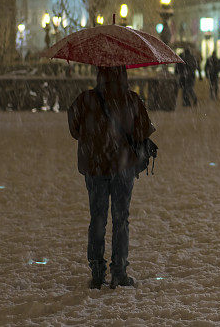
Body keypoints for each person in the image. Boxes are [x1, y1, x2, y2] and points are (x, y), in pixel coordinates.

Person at [67, 66, 155, 289]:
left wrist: (95, 137)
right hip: (122, 166)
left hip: (95, 167)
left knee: (97, 218)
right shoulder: (131, 100)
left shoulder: (85, 100)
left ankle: (97, 273)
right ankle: (119, 272)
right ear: (123, 75)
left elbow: (74, 130)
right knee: (120, 219)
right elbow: (142, 131)